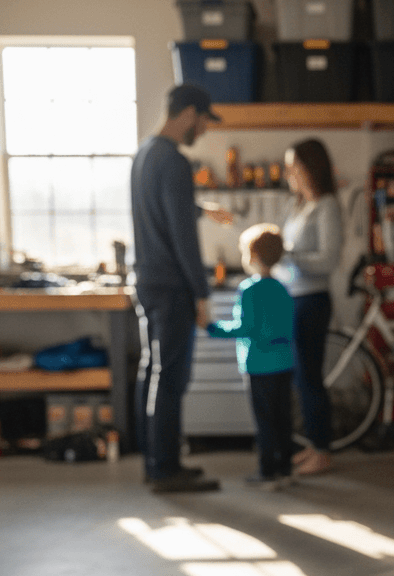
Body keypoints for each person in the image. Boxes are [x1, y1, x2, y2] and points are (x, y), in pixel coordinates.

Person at [131, 83, 233, 493]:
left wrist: (202, 208)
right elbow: (183, 238)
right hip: (172, 286)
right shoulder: (174, 161)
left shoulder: (145, 154)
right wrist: (202, 293)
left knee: (152, 370)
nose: (204, 130)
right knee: (171, 377)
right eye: (204, 121)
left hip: (147, 281)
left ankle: (153, 461)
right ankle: (166, 470)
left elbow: (164, 208)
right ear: (189, 113)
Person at [206, 225, 295, 489]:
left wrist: (212, 327)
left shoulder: (249, 289)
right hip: (285, 363)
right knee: (284, 419)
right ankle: (286, 469)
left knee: (265, 421)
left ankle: (267, 471)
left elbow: (245, 327)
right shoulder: (283, 288)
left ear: (253, 256)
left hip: (259, 365)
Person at [278, 139, 343, 476]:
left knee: (310, 377)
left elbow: (328, 260)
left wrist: (289, 257)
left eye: (294, 166)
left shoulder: (327, 206)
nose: (289, 173)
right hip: (294, 299)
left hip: (312, 301)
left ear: (311, 168)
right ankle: (315, 445)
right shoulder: (300, 207)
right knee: (301, 379)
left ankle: (322, 451)